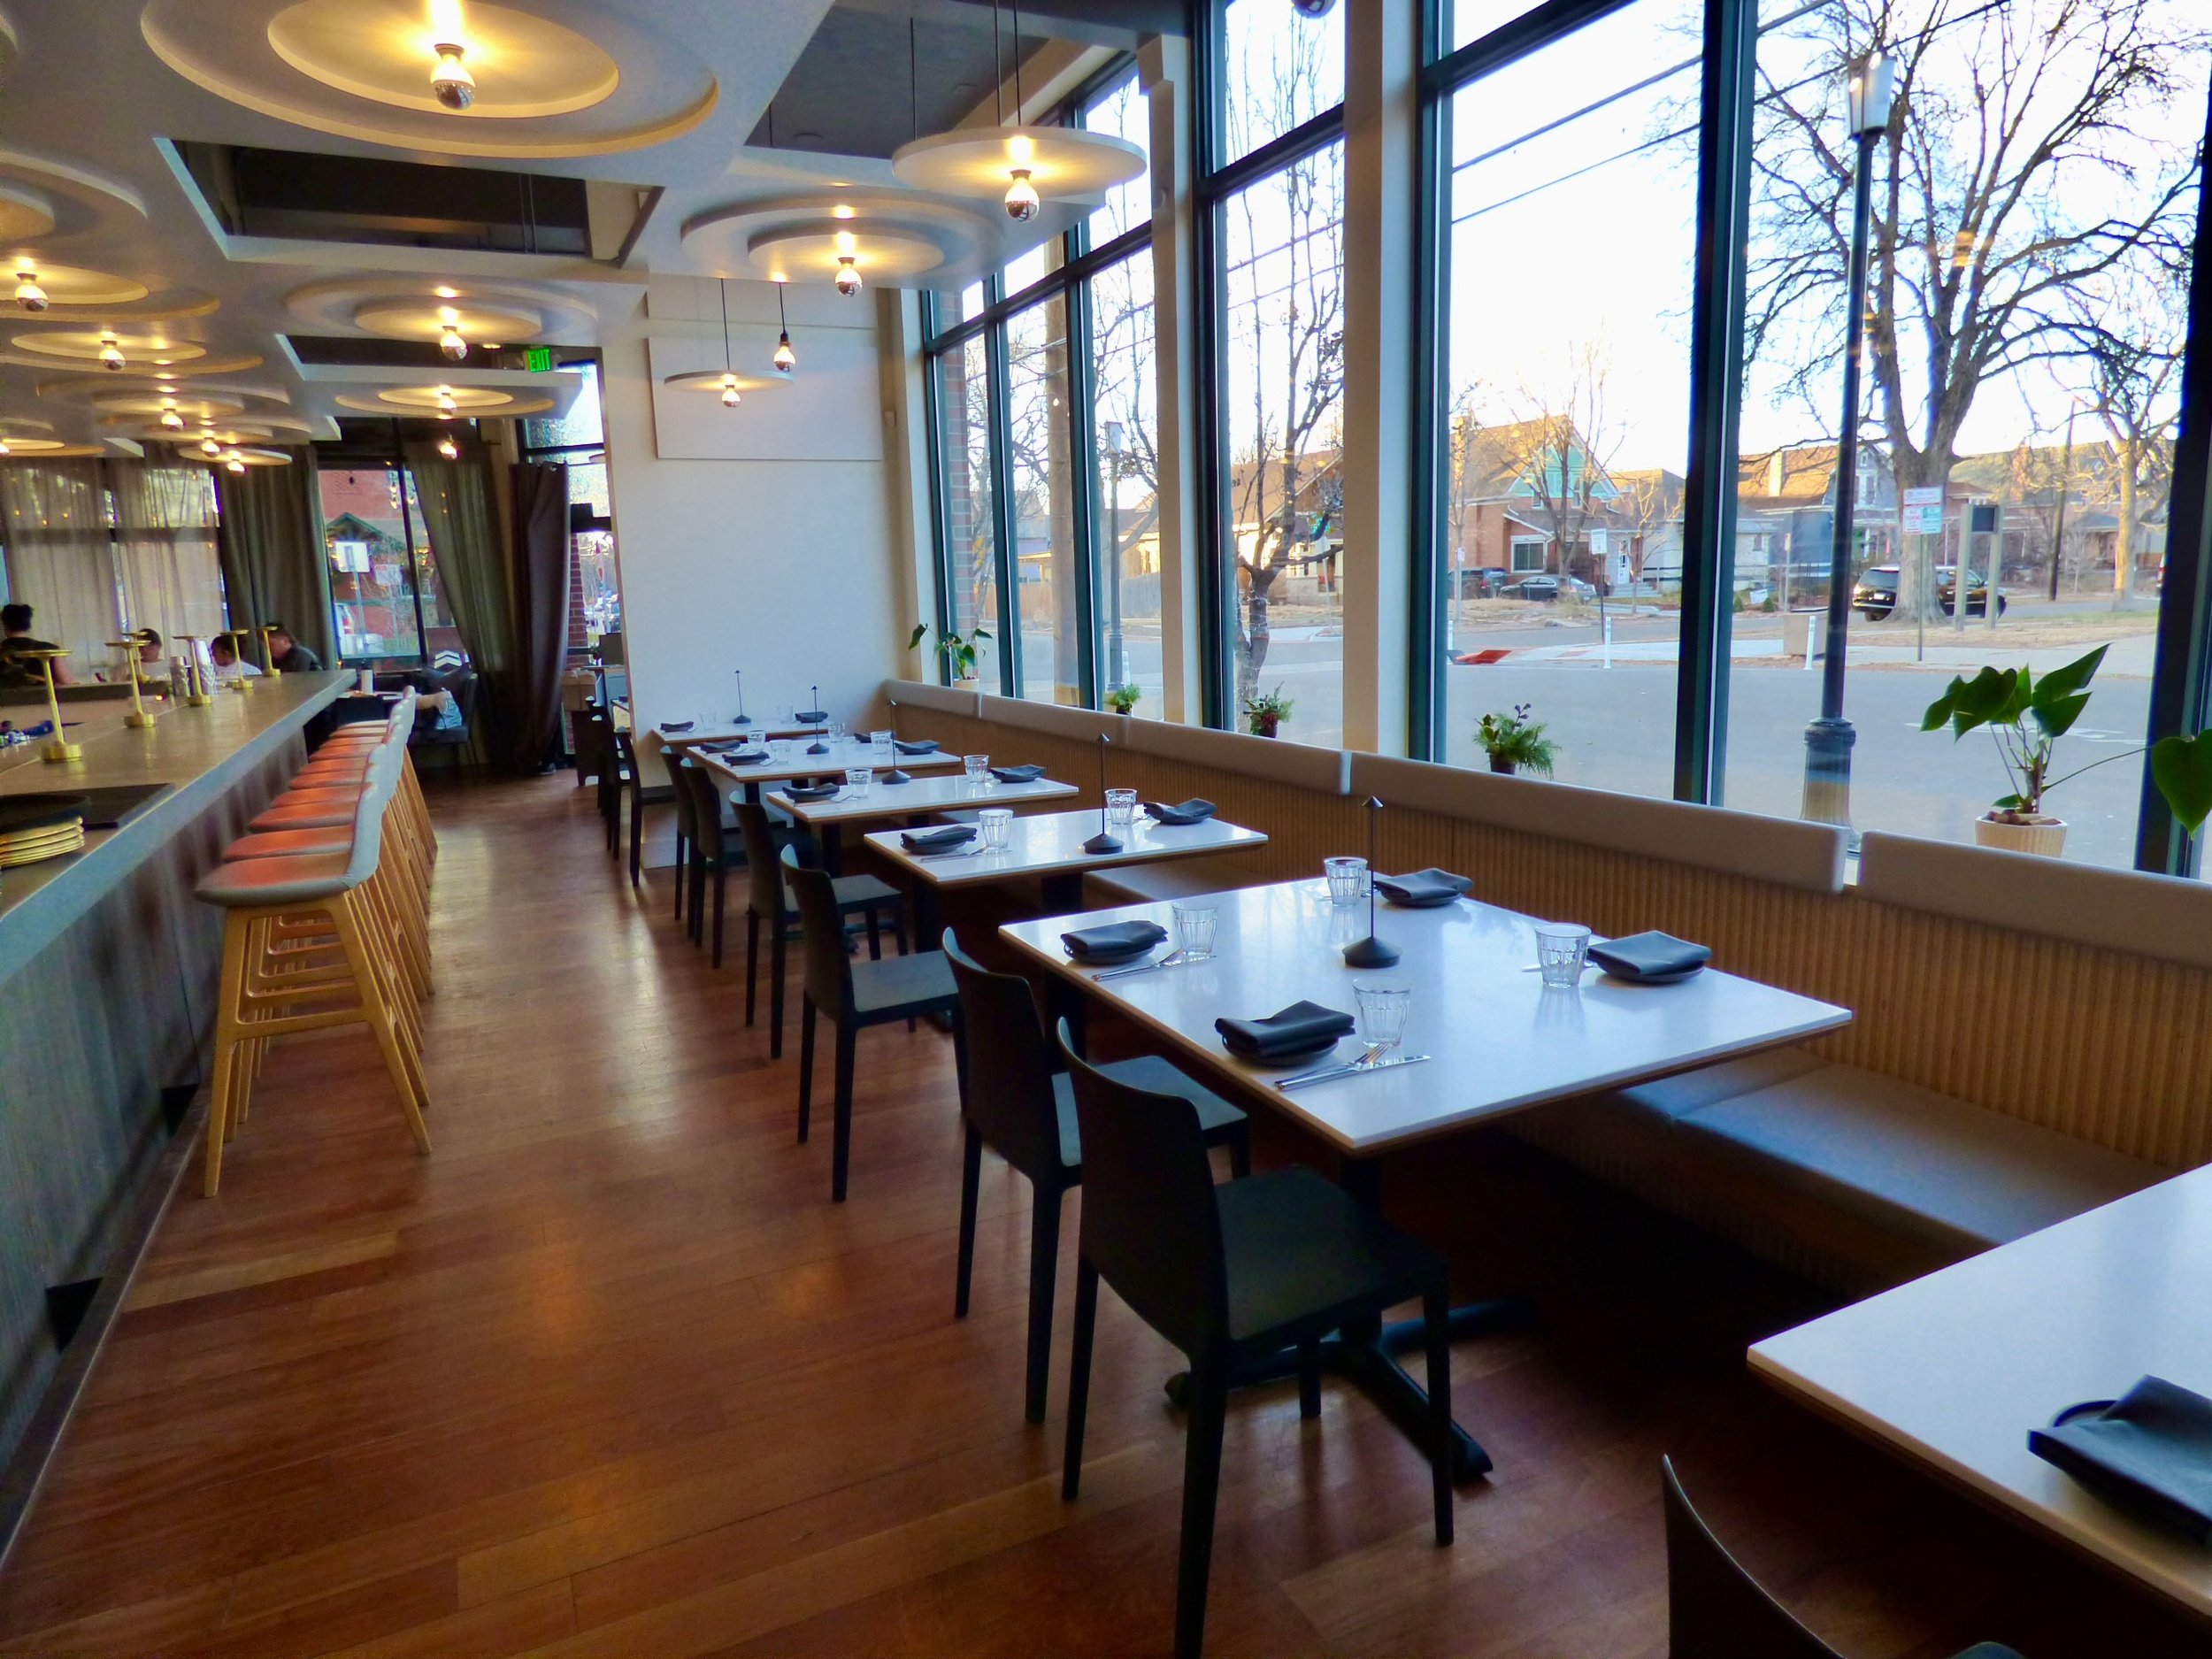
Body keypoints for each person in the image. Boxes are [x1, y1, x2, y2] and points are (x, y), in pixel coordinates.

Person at [1, 602, 73, 686]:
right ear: (28, 625)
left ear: (5, 625)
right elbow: (67, 684)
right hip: (43, 698)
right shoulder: (51, 650)